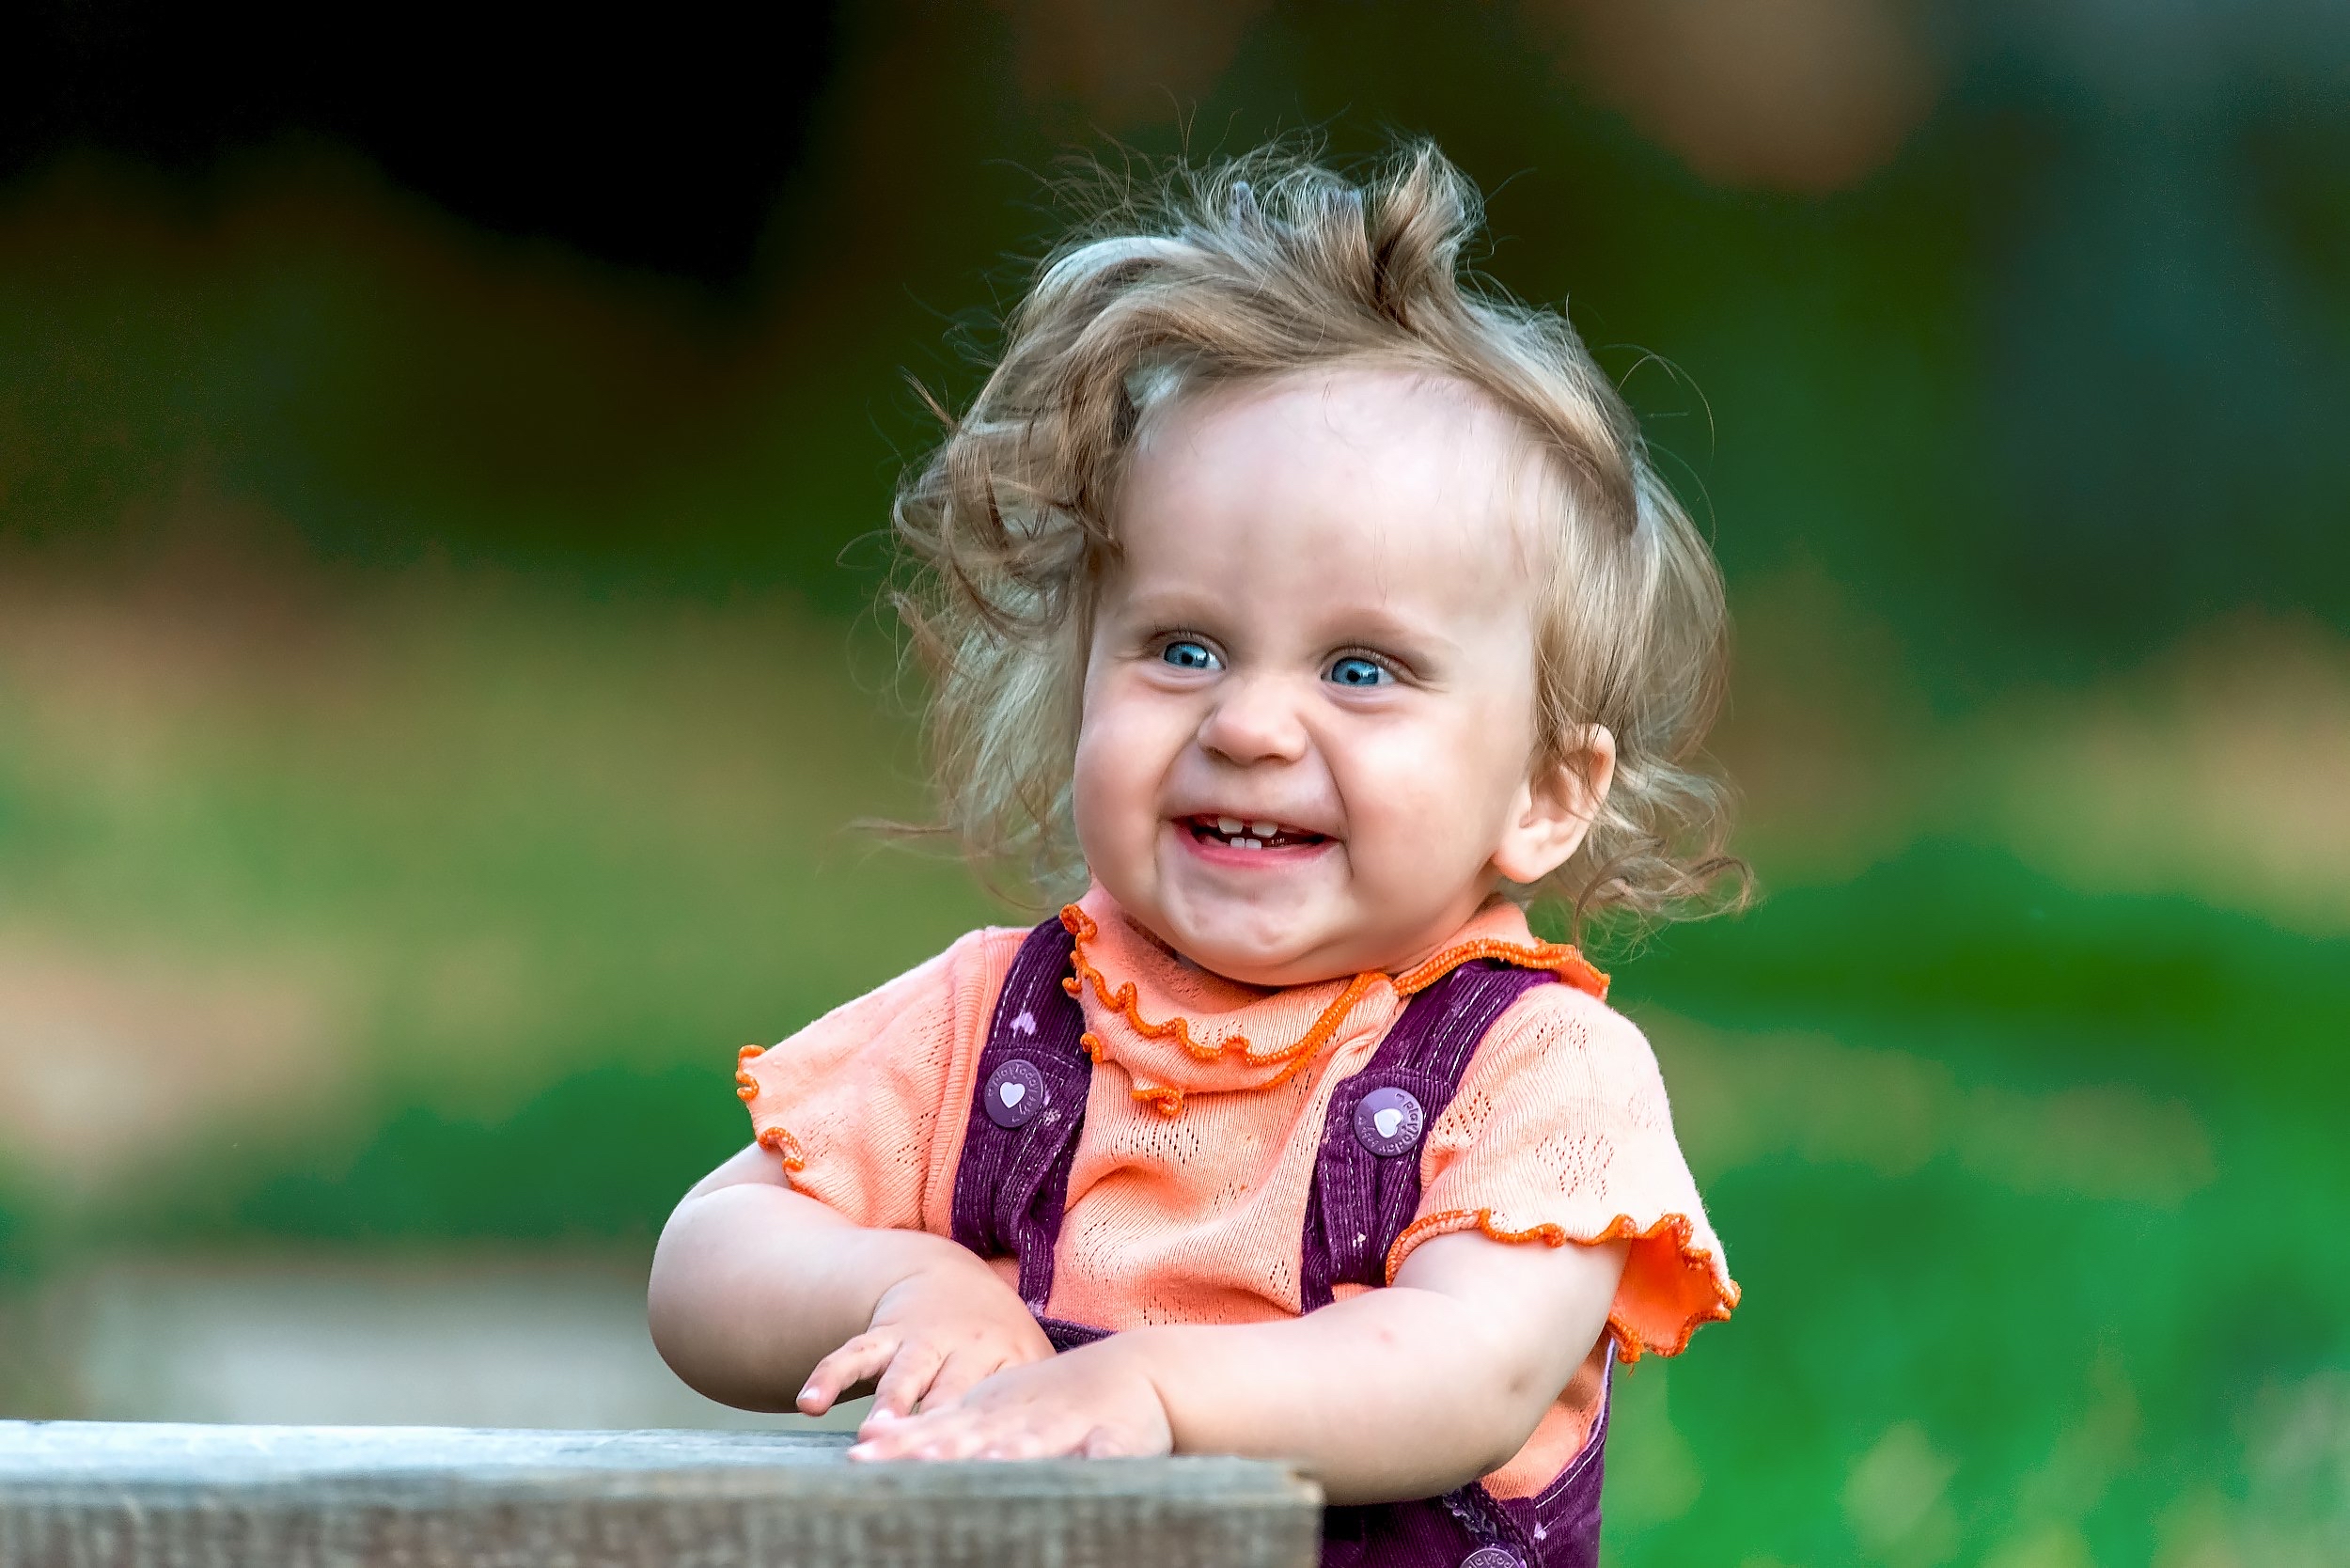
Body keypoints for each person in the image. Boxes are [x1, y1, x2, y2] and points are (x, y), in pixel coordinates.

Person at [649, 142, 1744, 1567]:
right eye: (1183, 647)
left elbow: (1464, 1369)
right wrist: (898, 1284)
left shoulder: (1537, 1076)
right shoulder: (999, 1025)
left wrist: (1154, 1383)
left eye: (1361, 669)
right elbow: (700, 1261)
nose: (1249, 722)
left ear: (1543, 791)